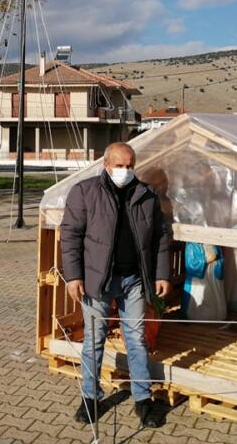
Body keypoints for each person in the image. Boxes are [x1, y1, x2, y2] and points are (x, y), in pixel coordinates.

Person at [60, 142, 172, 427]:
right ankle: (90, 398)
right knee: (93, 341)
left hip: (134, 279)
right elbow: (71, 236)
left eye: (130, 166)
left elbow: (160, 237)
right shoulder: (84, 192)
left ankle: (143, 400)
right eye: (119, 166)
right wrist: (73, 276)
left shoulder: (146, 194)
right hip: (98, 280)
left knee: (136, 339)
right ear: (106, 166)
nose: (125, 171)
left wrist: (161, 274)